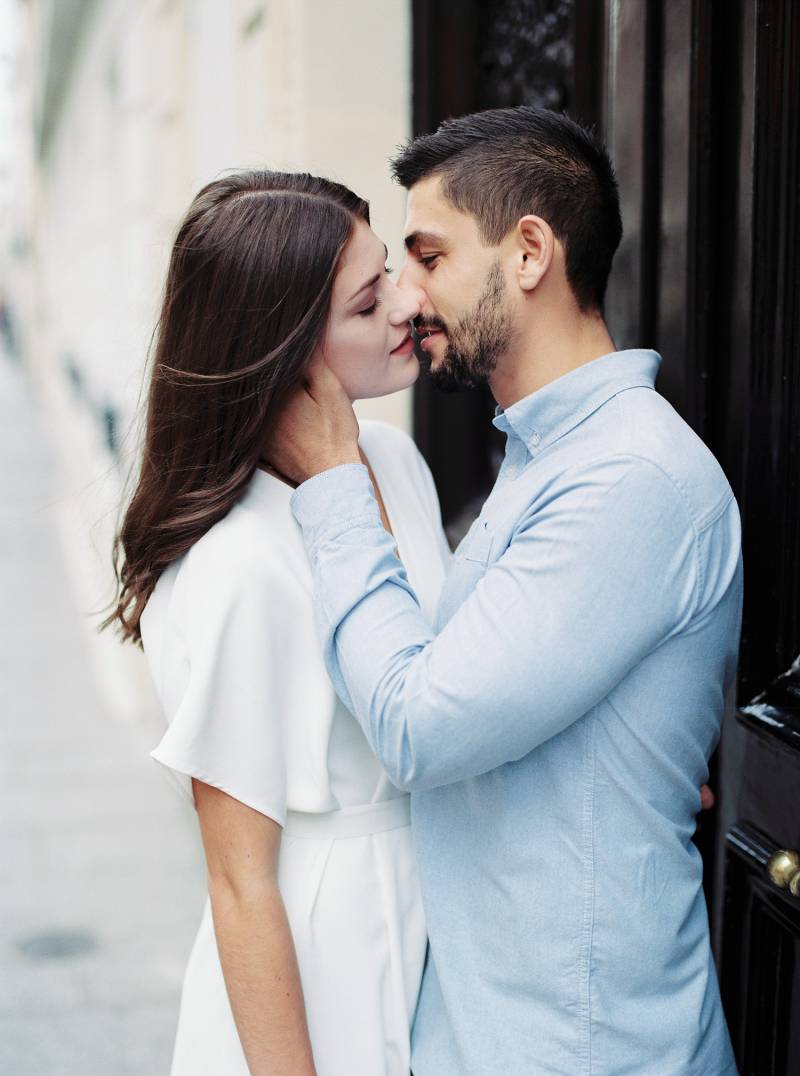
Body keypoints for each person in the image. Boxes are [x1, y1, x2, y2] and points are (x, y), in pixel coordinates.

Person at [265, 107, 742, 1075]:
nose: (403, 297)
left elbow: (419, 726)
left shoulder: (627, 478)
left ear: (528, 252)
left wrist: (328, 482)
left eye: (428, 257)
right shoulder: (541, 457)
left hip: (584, 1045)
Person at [105, 171, 451, 1075]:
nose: (411, 304)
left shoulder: (396, 459)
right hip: (318, 959)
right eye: (372, 301)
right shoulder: (238, 561)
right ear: (287, 351)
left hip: (434, 928)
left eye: (394, 276)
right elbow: (238, 880)